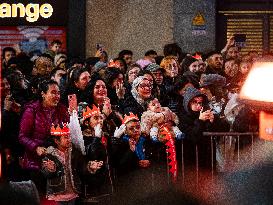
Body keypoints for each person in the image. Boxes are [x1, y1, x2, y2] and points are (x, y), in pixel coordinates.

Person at [18, 80, 69, 193]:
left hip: (58, 158)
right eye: (53, 93)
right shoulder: (32, 110)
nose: (57, 96)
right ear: (43, 94)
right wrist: (36, 147)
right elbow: (22, 136)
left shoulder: (62, 109)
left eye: (59, 93)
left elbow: (67, 131)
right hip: (35, 161)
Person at [178, 87, 229, 169]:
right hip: (191, 161)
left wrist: (214, 120)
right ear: (188, 103)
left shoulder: (206, 112)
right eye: (194, 102)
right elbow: (193, 136)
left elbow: (225, 127)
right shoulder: (183, 118)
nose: (198, 105)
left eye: (200, 103)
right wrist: (200, 121)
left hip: (208, 159)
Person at [41, 123, 92, 205]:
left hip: (73, 194)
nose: (69, 140)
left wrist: (90, 167)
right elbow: (45, 174)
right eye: (65, 137)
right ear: (56, 141)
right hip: (56, 196)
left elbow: (81, 168)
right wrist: (51, 169)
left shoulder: (75, 152)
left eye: (69, 137)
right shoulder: (49, 155)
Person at [80, 105, 113, 199]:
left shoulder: (105, 135)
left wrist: (115, 140)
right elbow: (92, 155)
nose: (100, 121)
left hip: (108, 181)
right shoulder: (83, 138)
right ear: (87, 123)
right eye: (96, 118)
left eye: (101, 118)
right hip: (94, 183)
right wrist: (96, 139)